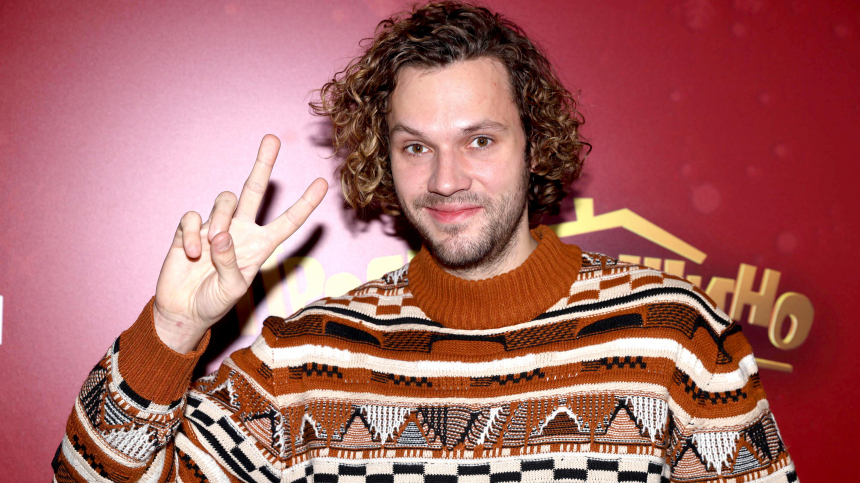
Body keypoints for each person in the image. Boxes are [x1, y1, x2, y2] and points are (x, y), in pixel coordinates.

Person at [53, 2, 798, 482]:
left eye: (479, 139)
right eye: (415, 146)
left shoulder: (674, 334)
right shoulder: (310, 361)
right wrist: (171, 331)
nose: (445, 179)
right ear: (384, 157)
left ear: (535, 145)